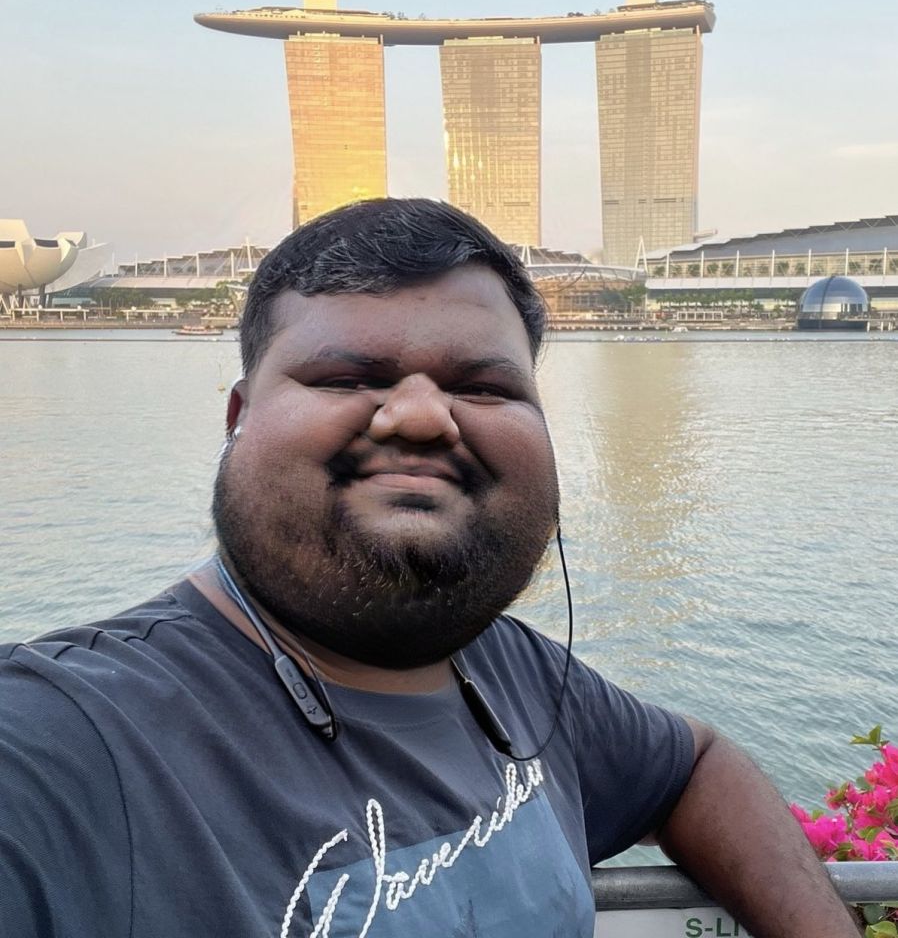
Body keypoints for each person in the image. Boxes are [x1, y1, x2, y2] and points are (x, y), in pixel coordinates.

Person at [0, 198, 859, 937]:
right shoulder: (69, 740)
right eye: (345, 377)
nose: (419, 416)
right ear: (238, 418)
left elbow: (693, 765)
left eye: (483, 388)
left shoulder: (519, 674)